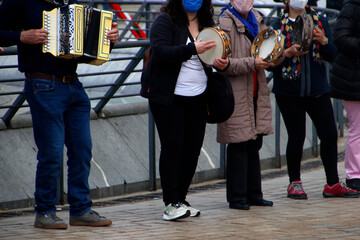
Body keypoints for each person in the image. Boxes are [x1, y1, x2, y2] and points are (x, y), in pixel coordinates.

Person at [0, 0, 119, 229]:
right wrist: (22, 36)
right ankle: (44, 212)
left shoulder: (70, 5)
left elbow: (84, 53)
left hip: (74, 86)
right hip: (43, 85)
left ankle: (80, 209)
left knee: (82, 151)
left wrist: (108, 41)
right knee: (52, 154)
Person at [140, 0, 228, 220]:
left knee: (192, 149)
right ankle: (171, 202)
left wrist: (221, 62)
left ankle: (181, 199)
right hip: (169, 98)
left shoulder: (207, 23)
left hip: (198, 96)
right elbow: (160, 52)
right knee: (173, 147)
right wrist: (192, 49)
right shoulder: (165, 21)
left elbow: (214, 54)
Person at [269, 0, 359, 199]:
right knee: (296, 136)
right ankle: (295, 182)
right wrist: (287, 53)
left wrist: (324, 41)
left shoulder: (320, 21)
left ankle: (333, 183)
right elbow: (269, 63)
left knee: (328, 134)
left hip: (317, 89)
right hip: (289, 91)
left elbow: (334, 55)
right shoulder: (277, 25)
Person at [216, 0, 278, 210]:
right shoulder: (225, 22)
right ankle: (237, 197)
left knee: (254, 144)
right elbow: (223, 63)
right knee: (238, 145)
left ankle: (254, 194)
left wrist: (277, 55)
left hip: (255, 92)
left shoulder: (258, 19)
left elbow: (269, 50)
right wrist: (253, 63)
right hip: (236, 94)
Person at [329, 0, 360, 191]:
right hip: (352, 79)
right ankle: (354, 175)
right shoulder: (352, 8)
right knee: (357, 127)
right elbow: (340, 37)